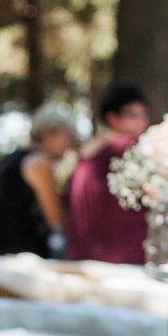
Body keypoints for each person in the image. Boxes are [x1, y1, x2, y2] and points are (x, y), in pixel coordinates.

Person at [66, 82, 151, 264]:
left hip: (83, 256)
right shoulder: (125, 147)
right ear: (112, 118)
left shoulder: (88, 151)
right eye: (134, 115)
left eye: (144, 115)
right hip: (123, 257)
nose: (142, 121)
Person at [0, 103, 78, 256]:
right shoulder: (38, 163)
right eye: (68, 136)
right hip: (21, 256)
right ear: (47, 133)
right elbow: (56, 220)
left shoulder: (10, 159)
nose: (70, 144)